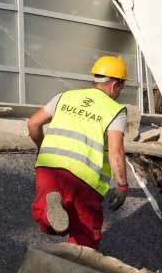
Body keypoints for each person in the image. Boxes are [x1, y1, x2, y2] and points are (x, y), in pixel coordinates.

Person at [27, 56, 132, 250]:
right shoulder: (115, 110)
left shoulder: (64, 97)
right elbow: (115, 150)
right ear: (114, 84)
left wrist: (42, 149)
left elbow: (33, 124)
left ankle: (51, 213)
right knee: (85, 237)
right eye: (121, 88)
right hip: (83, 178)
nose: (120, 93)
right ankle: (78, 266)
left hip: (48, 167)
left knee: (47, 220)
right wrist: (123, 185)